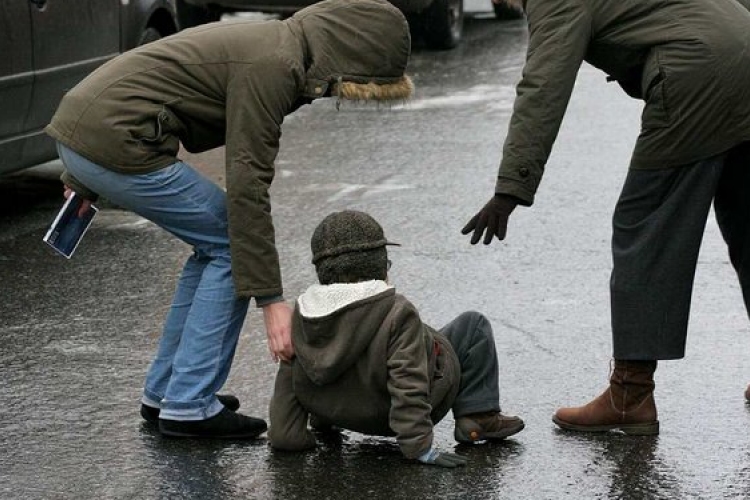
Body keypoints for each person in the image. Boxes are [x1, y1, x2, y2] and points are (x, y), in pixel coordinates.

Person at [45, 0, 414, 439]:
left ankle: (167, 392)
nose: (338, 93)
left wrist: (82, 174)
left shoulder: (277, 44)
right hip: (117, 141)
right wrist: (272, 301)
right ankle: (188, 404)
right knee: (230, 242)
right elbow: (248, 183)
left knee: (216, 242)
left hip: (87, 134)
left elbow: (135, 83)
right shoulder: (275, 66)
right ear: (347, 54)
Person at [461, 0, 750, 435]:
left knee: (645, 224)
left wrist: (510, 189)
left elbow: (545, 82)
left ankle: (629, 393)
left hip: (697, 69)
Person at [268, 210, 524, 467]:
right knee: (472, 325)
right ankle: (478, 415)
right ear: (378, 263)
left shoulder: (302, 315)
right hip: (392, 416)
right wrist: (419, 447)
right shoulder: (397, 313)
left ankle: (325, 422)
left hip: (337, 410)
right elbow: (408, 384)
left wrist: (290, 437)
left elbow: (288, 403)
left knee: (339, 354)